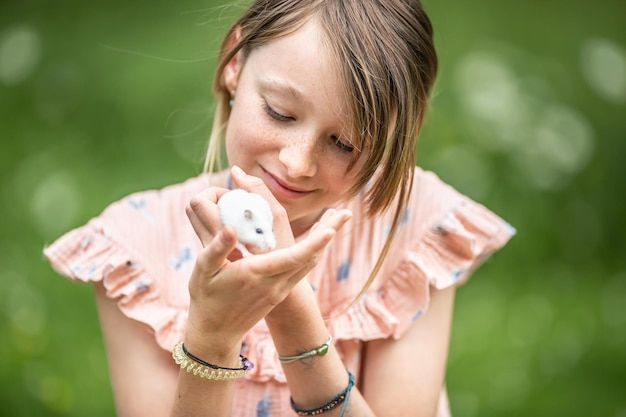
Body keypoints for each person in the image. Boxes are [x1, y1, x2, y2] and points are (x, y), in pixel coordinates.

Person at [44, 1, 515, 416]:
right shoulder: (135, 248)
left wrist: (291, 314)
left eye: (344, 143)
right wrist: (211, 336)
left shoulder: (414, 229)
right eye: (279, 112)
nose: (297, 163)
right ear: (236, 62)